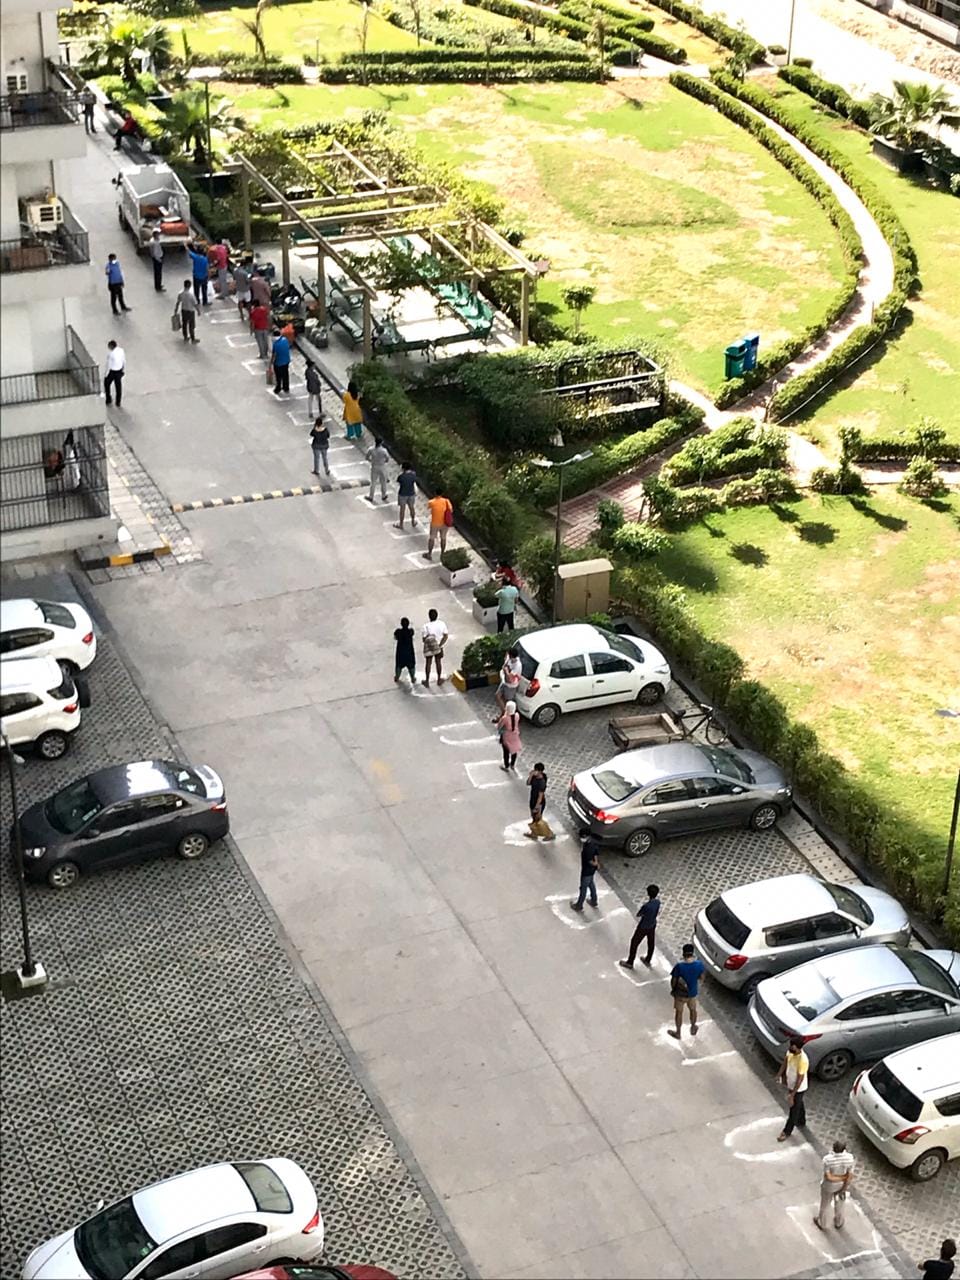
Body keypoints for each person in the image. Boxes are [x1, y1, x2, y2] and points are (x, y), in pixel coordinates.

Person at [813, 1141, 855, 1231]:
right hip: (842, 1185)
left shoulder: (827, 1159)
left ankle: (822, 1223)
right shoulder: (849, 1158)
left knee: (825, 1205)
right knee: (840, 1204)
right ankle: (838, 1222)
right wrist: (844, 1185)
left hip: (829, 1186)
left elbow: (829, 1177)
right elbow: (850, 1176)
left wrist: (839, 1178)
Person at [619, 884, 660, 969]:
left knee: (634, 942)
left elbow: (639, 914)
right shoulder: (657, 903)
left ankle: (630, 962)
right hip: (652, 924)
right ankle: (648, 959)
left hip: (643, 926)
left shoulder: (646, 906)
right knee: (651, 942)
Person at [777, 1037, 810, 1142]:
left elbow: (799, 1080)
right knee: (799, 1103)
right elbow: (785, 1062)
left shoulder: (803, 1060)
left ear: (798, 1048)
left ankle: (787, 1131)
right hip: (791, 1085)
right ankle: (802, 1120)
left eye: (793, 1046)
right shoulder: (790, 1052)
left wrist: (792, 1095)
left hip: (798, 1088)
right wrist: (779, 1075)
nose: (790, 1047)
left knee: (793, 1109)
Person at [668, 944, 704, 1039]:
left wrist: (673, 990)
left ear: (683, 953)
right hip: (692, 993)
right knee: (693, 1010)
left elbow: (674, 980)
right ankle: (693, 1027)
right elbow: (701, 977)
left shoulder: (679, 967)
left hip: (680, 995)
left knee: (679, 1013)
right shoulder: (699, 965)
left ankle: (678, 1032)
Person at [570, 830, 601, 910]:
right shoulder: (593, 843)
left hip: (586, 871)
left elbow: (589, 860)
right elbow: (596, 854)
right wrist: (596, 863)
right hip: (591, 870)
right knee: (591, 884)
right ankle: (594, 900)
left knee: (583, 888)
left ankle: (579, 905)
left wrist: (595, 864)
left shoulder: (587, 848)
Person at [524, 763, 555, 841]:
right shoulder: (534, 777)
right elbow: (528, 783)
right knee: (534, 819)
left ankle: (550, 833)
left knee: (538, 820)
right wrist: (531, 775)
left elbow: (540, 796)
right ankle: (534, 833)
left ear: (540, 771)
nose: (535, 771)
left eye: (536, 770)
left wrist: (537, 806)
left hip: (538, 802)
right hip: (532, 799)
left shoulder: (542, 782)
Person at [421, 609, 448, 687]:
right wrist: (440, 645)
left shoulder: (426, 626)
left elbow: (423, 639)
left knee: (428, 663)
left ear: (429, 616)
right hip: (439, 647)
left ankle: (427, 681)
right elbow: (446, 636)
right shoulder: (442, 624)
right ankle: (439, 679)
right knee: (438, 662)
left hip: (429, 647)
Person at [422, 492, 453, 561]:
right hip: (444, 523)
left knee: (432, 538)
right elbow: (451, 510)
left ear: (435, 494)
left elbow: (428, 507)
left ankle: (429, 554)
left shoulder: (432, 502)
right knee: (443, 538)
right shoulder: (446, 501)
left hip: (435, 523)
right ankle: (442, 554)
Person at [496, 700, 522, 771]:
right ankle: (512, 765)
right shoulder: (517, 716)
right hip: (515, 735)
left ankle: (506, 765)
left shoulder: (505, 718)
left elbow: (499, 726)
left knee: (506, 752)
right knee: (514, 750)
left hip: (507, 737)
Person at [495, 646, 522, 713]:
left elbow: (509, 679)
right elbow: (506, 656)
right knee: (497, 695)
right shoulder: (509, 658)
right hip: (504, 682)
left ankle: (507, 715)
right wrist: (505, 663)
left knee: (508, 702)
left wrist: (506, 671)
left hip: (511, 686)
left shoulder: (517, 666)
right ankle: (503, 712)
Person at [173, 279, 199, 343]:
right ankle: (193, 339)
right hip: (190, 311)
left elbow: (178, 302)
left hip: (184, 310)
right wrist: (198, 311)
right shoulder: (191, 295)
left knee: (184, 324)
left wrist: (175, 310)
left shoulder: (181, 293)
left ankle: (185, 337)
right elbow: (195, 304)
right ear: (190, 286)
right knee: (191, 325)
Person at [366, 437, 390, 503]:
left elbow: (367, 457)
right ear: (381, 442)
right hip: (382, 466)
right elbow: (387, 459)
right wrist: (384, 461)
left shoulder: (371, 449)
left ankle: (371, 496)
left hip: (374, 466)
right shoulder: (384, 450)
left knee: (373, 482)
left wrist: (371, 461)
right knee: (383, 482)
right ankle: (384, 495)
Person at [394, 617, 416, 685]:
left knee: (399, 666)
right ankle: (412, 678)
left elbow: (395, 637)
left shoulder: (398, 632)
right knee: (411, 666)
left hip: (400, 652)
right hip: (409, 652)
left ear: (401, 624)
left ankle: (397, 677)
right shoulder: (411, 631)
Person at [186, 243, 210, 307]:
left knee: (196, 289)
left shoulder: (195, 257)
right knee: (204, 289)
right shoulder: (205, 259)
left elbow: (189, 252)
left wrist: (186, 246)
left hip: (196, 276)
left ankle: (197, 301)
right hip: (204, 276)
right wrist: (208, 276)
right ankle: (205, 301)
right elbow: (207, 268)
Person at [395, 462, 417, 530]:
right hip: (411, 493)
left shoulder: (401, 476)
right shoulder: (413, 475)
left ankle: (401, 524)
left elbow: (399, 482)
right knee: (411, 508)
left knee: (402, 509)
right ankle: (413, 521)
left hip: (402, 494)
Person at [103, 340, 125, 408]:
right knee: (118, 386)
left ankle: (108, 398)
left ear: (111, 346)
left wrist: (105, 374)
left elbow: (109, 365)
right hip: (119, 370)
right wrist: (123, 370)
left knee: (107, 383)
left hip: (113, 371)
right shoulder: (121, 350)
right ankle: (118, 402)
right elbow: (124, 360)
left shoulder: (111, 354)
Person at [270, 328, 291, 395]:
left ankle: (278, 388)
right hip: (286, 360)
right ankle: (286, 388)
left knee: (278, 376)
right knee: (285, 375)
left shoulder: (275, 344)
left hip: (278, 363)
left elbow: (274, 355)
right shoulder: (285, 340)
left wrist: (271, 363)